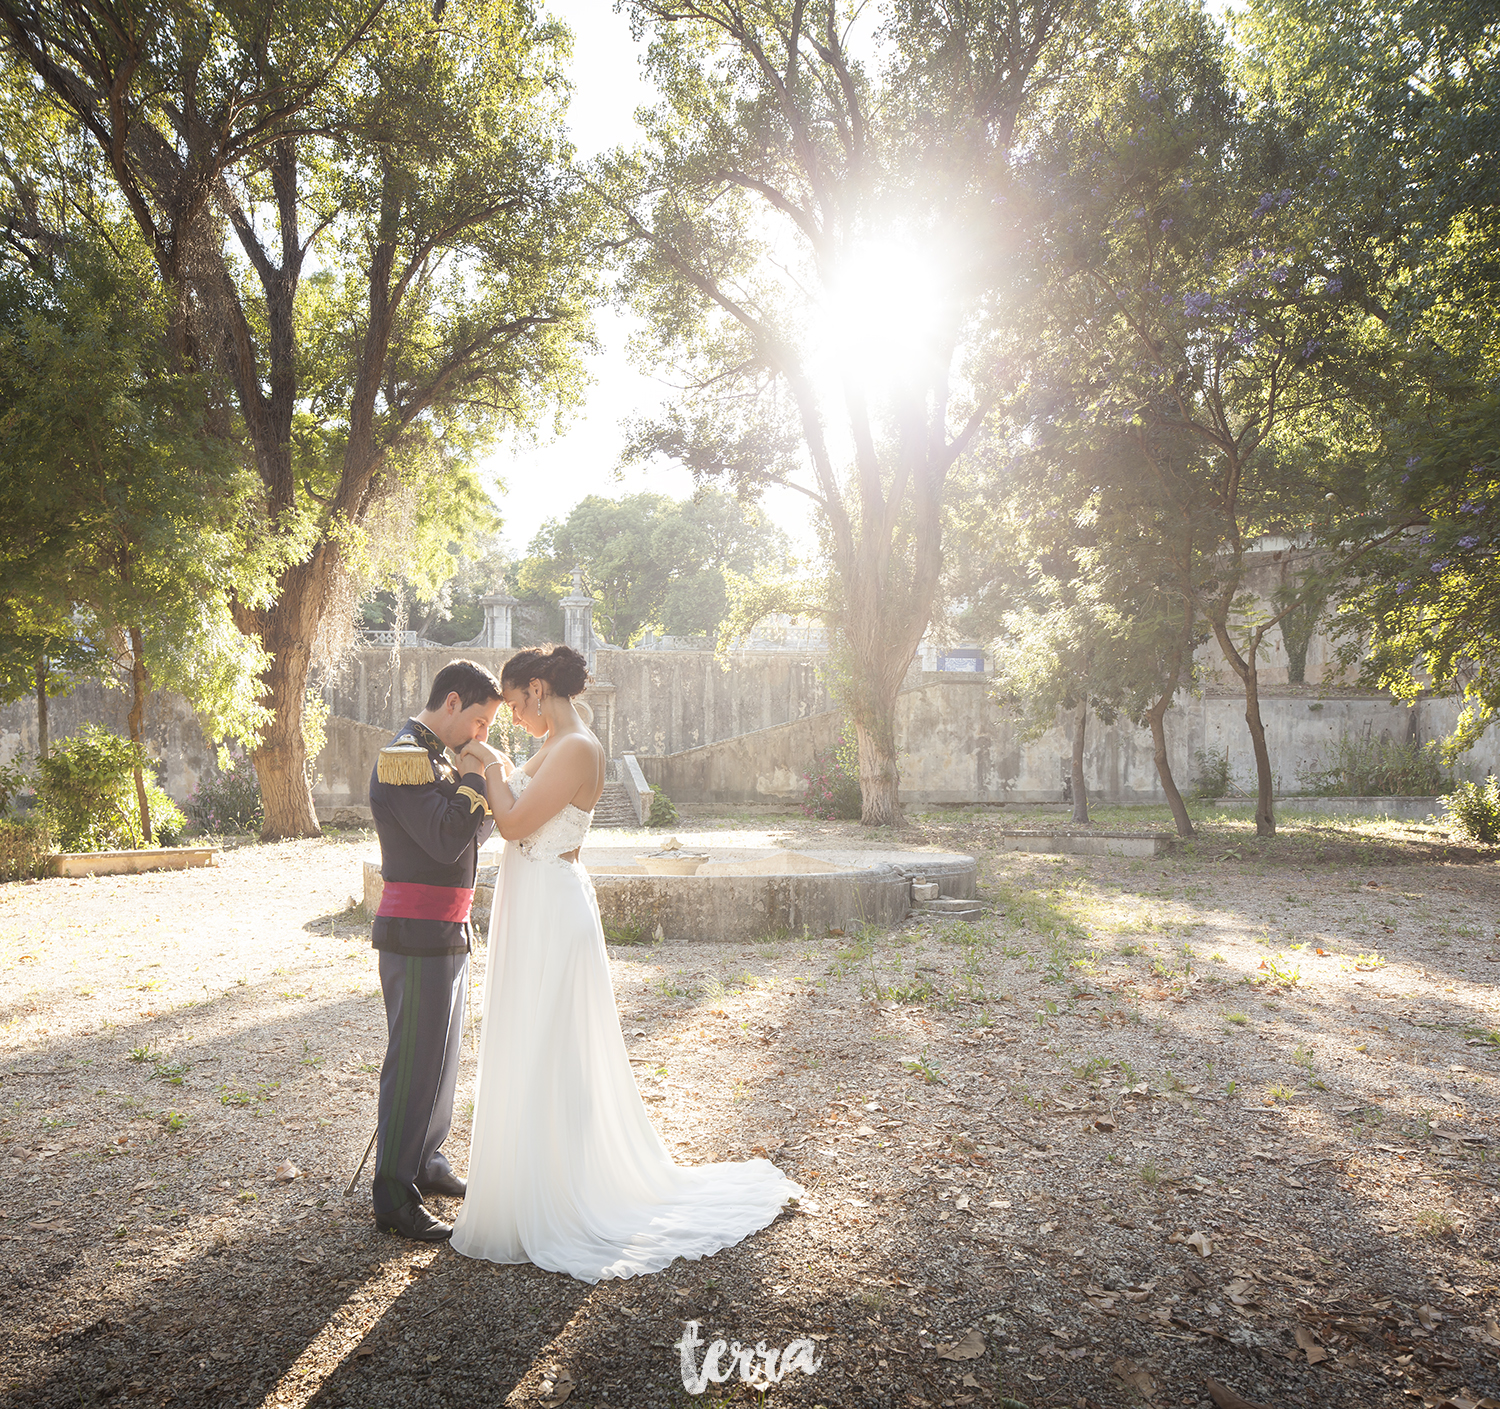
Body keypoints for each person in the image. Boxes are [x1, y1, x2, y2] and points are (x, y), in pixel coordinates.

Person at [448, 643, 802, 1281]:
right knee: (529, 1041)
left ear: (535, 688)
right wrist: (490, 764)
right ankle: (529, 1181)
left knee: (552, 1044)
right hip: (534, 902)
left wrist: (490, 771)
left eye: (513, 702)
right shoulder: (554, 745)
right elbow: (516, 800)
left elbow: (514, 821)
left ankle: (561, 1193)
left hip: (552, 907)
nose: (510, 717)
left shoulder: (578, 747)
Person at [367, 659, 504, 1242]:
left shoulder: (437, 759)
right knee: (414, 1062)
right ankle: (393, 1194)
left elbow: (471, 833)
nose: (483, 736)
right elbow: (449, 838)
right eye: (479, 721)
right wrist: (480, 776)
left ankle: (425, 1161)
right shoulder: (406, 757)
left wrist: (472, 779)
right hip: (415, 933)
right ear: (451, 702)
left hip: (447, 929)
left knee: (443, 1061)